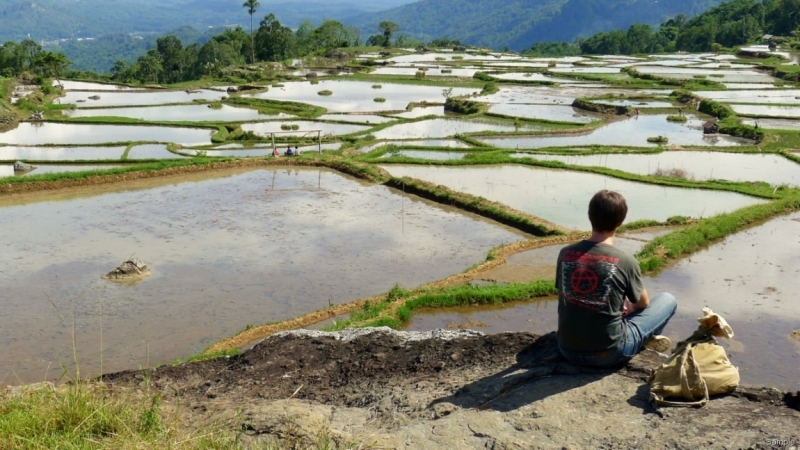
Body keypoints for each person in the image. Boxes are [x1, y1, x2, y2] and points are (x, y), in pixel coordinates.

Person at [556, 190, 677, 368]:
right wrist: (629, 306)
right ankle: (645, 341)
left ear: (589, 216)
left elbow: (570, 294)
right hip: (607, 354)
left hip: (566, 349)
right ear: (621, 222)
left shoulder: (565, 253)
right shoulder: (626, 261)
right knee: (668, 299)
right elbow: (643, 304)